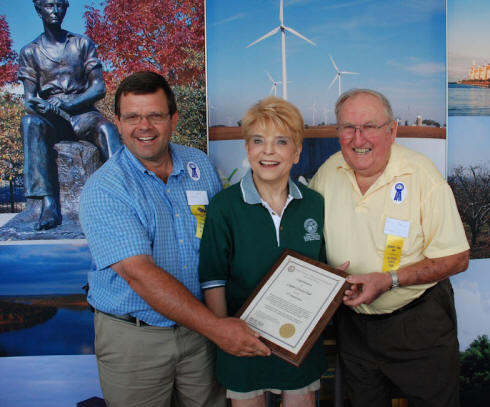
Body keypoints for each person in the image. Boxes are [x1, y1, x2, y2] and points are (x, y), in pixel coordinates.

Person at [79, 71, 270, 407]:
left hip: (201, 337)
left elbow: (224, 244)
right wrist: (218, 329)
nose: (144, 127)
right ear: (118, 124)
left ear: (173, 119)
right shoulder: (106, 188)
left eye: (155, 115)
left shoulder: (200, 165)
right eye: (132, 117)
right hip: (137, 340)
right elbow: (140, 274)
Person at [310, 89, 470, 407]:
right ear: (338, 131)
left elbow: (457, 258)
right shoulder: (329, 172)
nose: (358, 139)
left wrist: (389, 280)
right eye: (348, 127)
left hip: (418, 324)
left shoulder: (422, 175)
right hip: (354, 327)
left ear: (392, 130)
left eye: (369, 126)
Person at [199, 96, 327, 407]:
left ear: (296, 152)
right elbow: (213, 278)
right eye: (258, 140)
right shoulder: (224, 206)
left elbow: (322, 270)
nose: (268, 151)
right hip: (243, 344)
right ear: (247, 149)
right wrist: (225, 337)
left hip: (300, 346)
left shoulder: (315, 204)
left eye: (280, 141)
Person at [18, 0, 121, 230]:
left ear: (66, 8)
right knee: (30, 123)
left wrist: (69, 103)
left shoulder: (82, 44)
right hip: (53, 119)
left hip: (83, 114)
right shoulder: (30, 51)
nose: (55, 11)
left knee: (107, 129)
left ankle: (124, 192)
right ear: (38, 9)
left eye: (60, 5)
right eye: (49, 5)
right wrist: (45, 107)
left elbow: (98, 87)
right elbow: (29, 101)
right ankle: (48, 204)